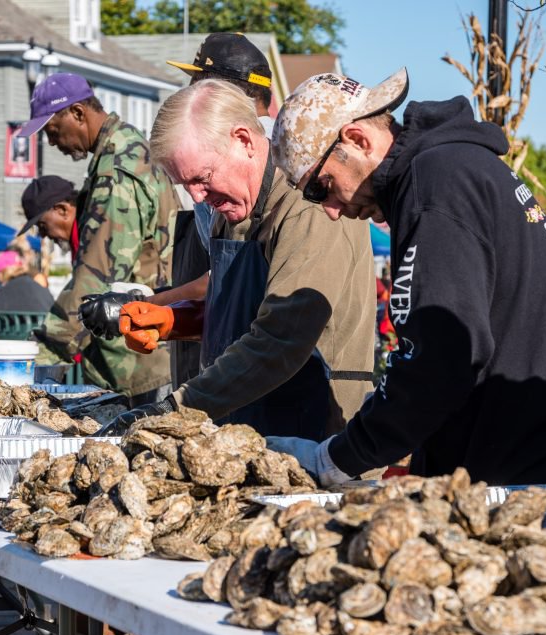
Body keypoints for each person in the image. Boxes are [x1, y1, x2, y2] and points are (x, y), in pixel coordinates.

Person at [267, 69, 546, 486]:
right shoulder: (450, 169)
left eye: (321, 186)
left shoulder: (434, 184)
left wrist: (339, 457)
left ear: (357, 140)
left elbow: (440, 359)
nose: (330, 209)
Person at [91, 78, 375, 447]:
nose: (197, 196)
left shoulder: (306, 206)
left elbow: (282, 337)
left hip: (316, 428)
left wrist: (178, 408)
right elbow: (242, 312)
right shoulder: (231, 209)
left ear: (243, 140)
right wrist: (176, 320)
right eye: (184, 184)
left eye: (202, 178)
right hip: (246, 421)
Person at [81, 33, 279, 391]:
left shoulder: (234, 160)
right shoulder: (248, 154)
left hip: (252, 372)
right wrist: (166, 319)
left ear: (216, 93)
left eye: (195, 82)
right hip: (228, 353)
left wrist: (147, 303)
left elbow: (223, 279)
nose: (197, 193)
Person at [15, 74, 180, 405]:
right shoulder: (124, 150)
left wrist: (46, 351)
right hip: (141, 350)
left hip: (141, 359)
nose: (52, 142)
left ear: (77, 113)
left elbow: (100, 271)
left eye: (52, 130)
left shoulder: (117, 169)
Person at [0, 250, 54, 331]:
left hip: (16, 345)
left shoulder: (9, 290)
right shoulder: (41, 289)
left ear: (3, 272)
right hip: (44, 344)